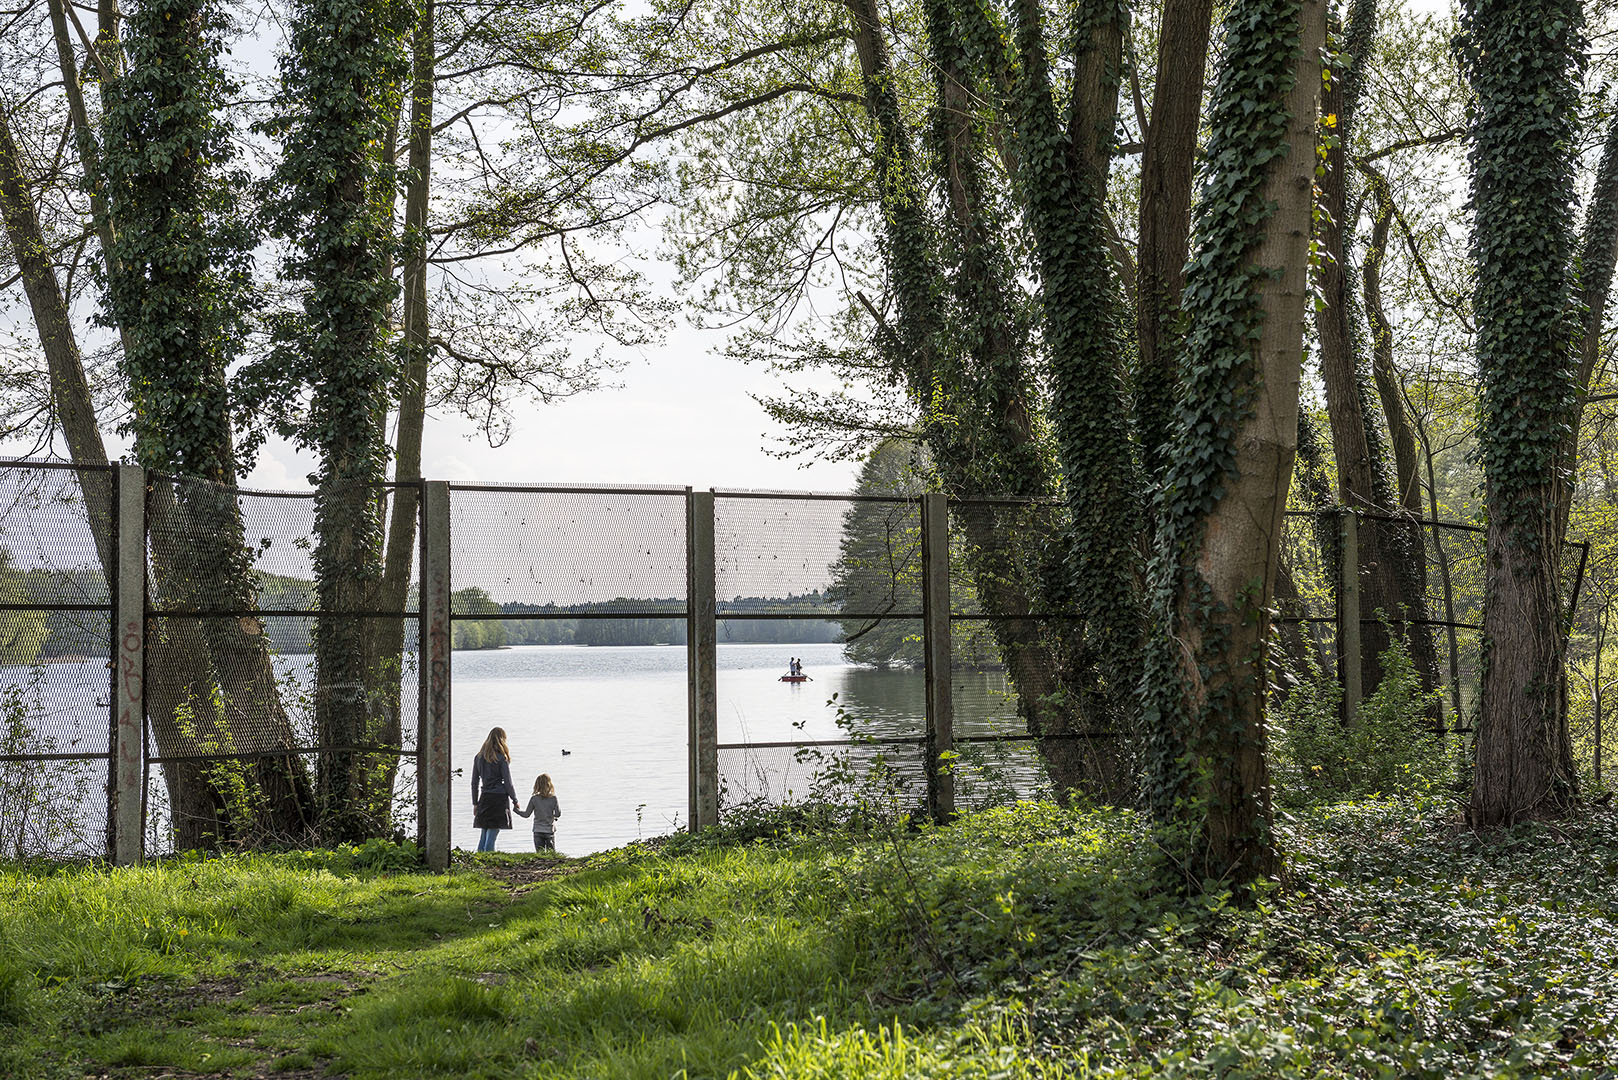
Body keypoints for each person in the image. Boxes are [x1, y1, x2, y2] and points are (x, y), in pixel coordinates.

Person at [471, 727, 519, 852]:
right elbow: (508, 782)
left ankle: (480, 859)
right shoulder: (501, 758)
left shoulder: (478, 757)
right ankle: (489, 861)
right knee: (493, 831)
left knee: (484, 830)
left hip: (485, 797)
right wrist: (514, 799)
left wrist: (475, 802)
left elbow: (474, 782)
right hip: (498, 798)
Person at [514, 773, 562, 851]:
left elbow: (526, 815)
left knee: (540, 853)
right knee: (551, 853)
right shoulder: (553, 798)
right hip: (549, 830)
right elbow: (558, 814)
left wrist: (516, 811)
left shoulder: (534, 799)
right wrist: (553, 816)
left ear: (537, 786)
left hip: (537, 830)